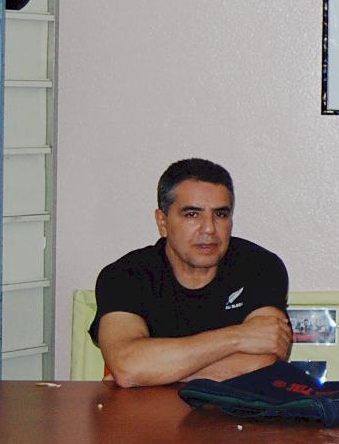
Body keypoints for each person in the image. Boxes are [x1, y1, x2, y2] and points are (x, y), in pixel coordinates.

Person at [91, 158, 292, 388]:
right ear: (163, 222)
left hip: (233, 409)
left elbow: (265, 361)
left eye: (220, 214)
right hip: (144, 410)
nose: (209, 228)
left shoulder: (260, 266)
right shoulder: (125, 275)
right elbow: (128, 366)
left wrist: (155, 373)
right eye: (192, 214)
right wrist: (238, 337)